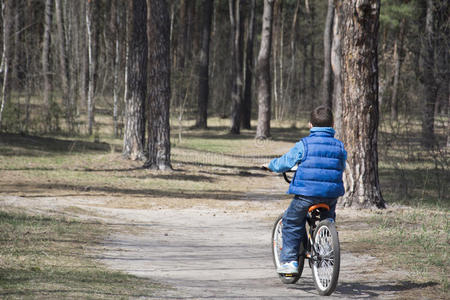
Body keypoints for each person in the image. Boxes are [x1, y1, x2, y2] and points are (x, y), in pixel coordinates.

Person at [266, 105, 347, 274]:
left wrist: (271, 165)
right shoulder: (339, 146)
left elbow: (285, 163)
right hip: (330, 195)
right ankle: (325, 248)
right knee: (328, 218)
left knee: (291, 222)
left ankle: (289, 262)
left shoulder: (304, 144)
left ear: (310, 125)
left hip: (306, 194)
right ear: (332, 125)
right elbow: (340, 164)